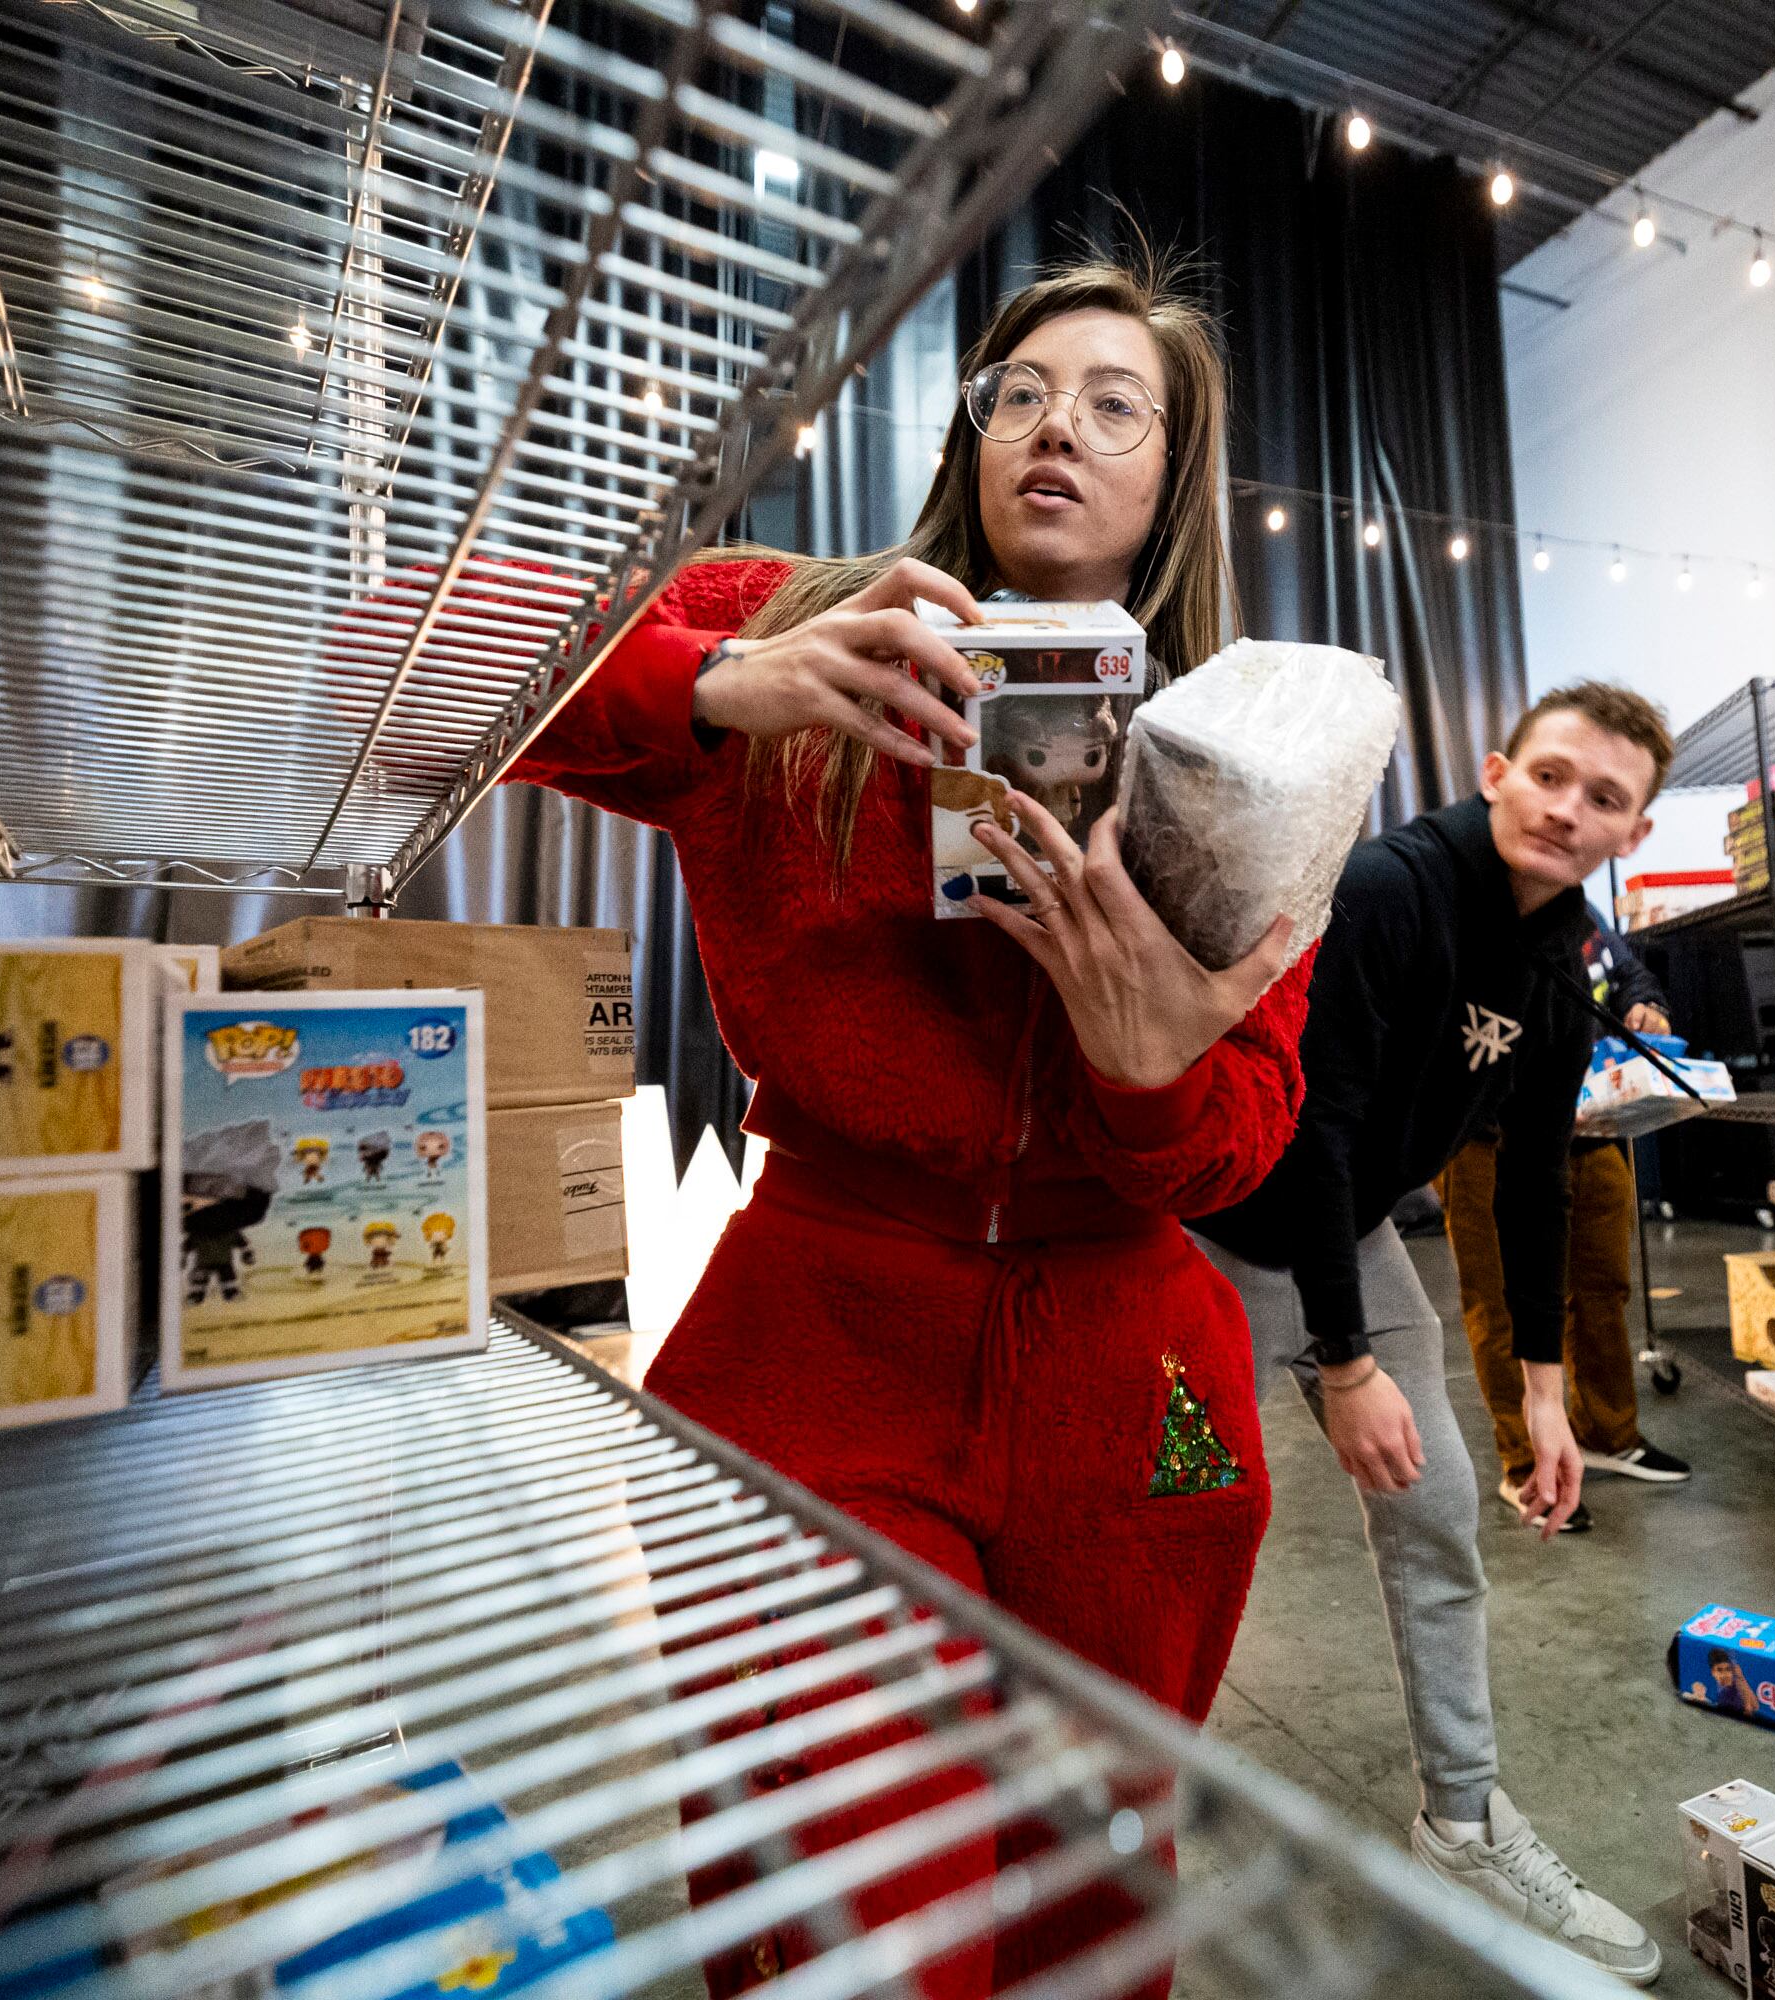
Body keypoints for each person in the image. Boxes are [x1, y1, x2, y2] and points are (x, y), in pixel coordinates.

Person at [509, 259, 1305, 2000]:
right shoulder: (787, 619)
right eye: (1017, 388)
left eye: (1116, 404)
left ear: (1172, 471)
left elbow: (1246, 1136)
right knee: (850, 1909)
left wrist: (1149, 1064)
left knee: (1102, 1896)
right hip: (819, 1340)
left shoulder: (1244, 751)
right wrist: (724, 684)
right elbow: (405, 661)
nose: (1055, 426)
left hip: (1134, 1375)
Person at [1188, 683, 1678, 1986]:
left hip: (1348, 1236)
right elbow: (1317, 1127)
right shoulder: (1395, 887)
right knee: (1173, 1520)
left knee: (1440, 1505)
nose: (1571, 809)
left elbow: (1532, 1178)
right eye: (1556, 776)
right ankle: (1097, 1804)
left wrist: (1548, 1399)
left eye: (1607, 798)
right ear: (1500, 767)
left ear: (1633, 829)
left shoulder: (1567, 958)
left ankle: (1462, 1819)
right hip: (1206, 1234)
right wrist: (1343, 1367)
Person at [1438, 914, 1691, 1539]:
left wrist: (1646, 1006)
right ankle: (1526, 1463)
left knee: (1603, 1286)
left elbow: (1625, 972)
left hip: (1588, 1124)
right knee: (1499, 1302)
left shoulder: (1576, 908)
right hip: (1483, 1137)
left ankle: (1608, 1433)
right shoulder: (1459, 907)